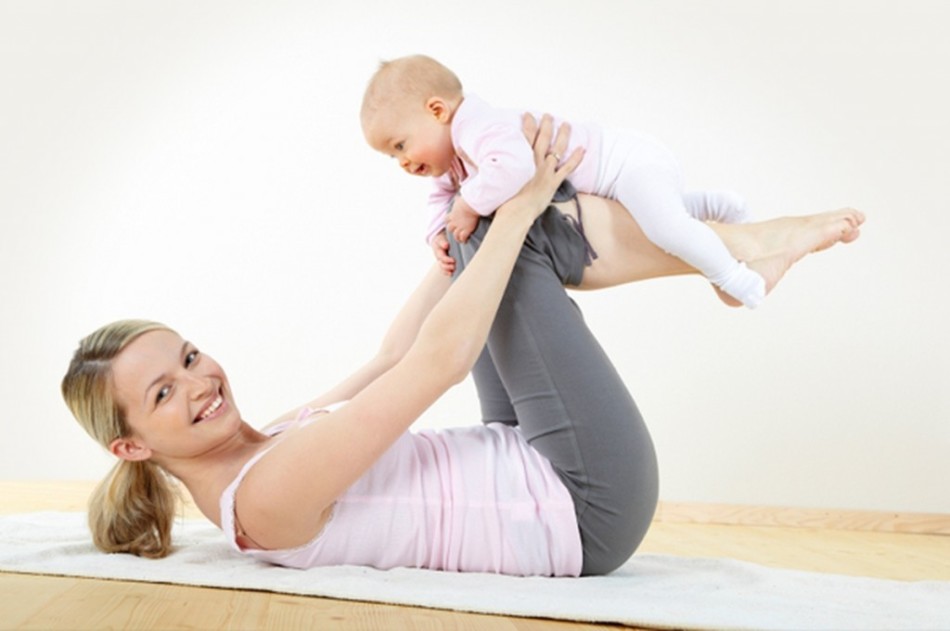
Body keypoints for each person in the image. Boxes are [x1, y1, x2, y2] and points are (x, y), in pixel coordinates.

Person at [61, 119, 864, 577]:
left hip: (526, 459)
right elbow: (433, 365)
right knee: (519, 235)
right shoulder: (263, 499)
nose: (199, 382)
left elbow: (388, 357)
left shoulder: (266, 442)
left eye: (189, 356)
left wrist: (457, 236)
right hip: (584, 504)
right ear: (131, 441)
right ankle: (738, 251)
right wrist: (509, 211)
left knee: (488, 240)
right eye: (164, 392)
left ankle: (733, 251)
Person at [361, 54, 766, 308]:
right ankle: (714, 204)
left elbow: (513, 168)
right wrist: (437, 231)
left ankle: (733, 276)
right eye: (391, 156)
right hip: (619, 182)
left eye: (400, 145)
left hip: (626, 162)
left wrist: (468, 206)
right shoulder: (454, 160)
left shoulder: (478, 128)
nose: (401, 161)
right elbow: (442, 196)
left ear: (437, 110)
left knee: (664, 228)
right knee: (650, 216)